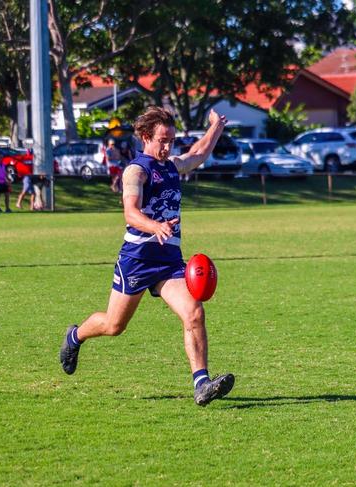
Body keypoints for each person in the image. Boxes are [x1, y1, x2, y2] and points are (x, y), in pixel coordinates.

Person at [59, 106, 235, 406]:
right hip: (137, 260)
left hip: (168, 261)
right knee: (114, 326)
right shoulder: (136, 171)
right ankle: (75, 337)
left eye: (172, 140)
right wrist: (155, 226)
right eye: (162, 140)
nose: (168, 147)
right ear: (145, 137)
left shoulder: (171, 165)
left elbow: (199, 154)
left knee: (194, 312)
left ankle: (202, 383)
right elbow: (130, 213)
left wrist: (216, 126)